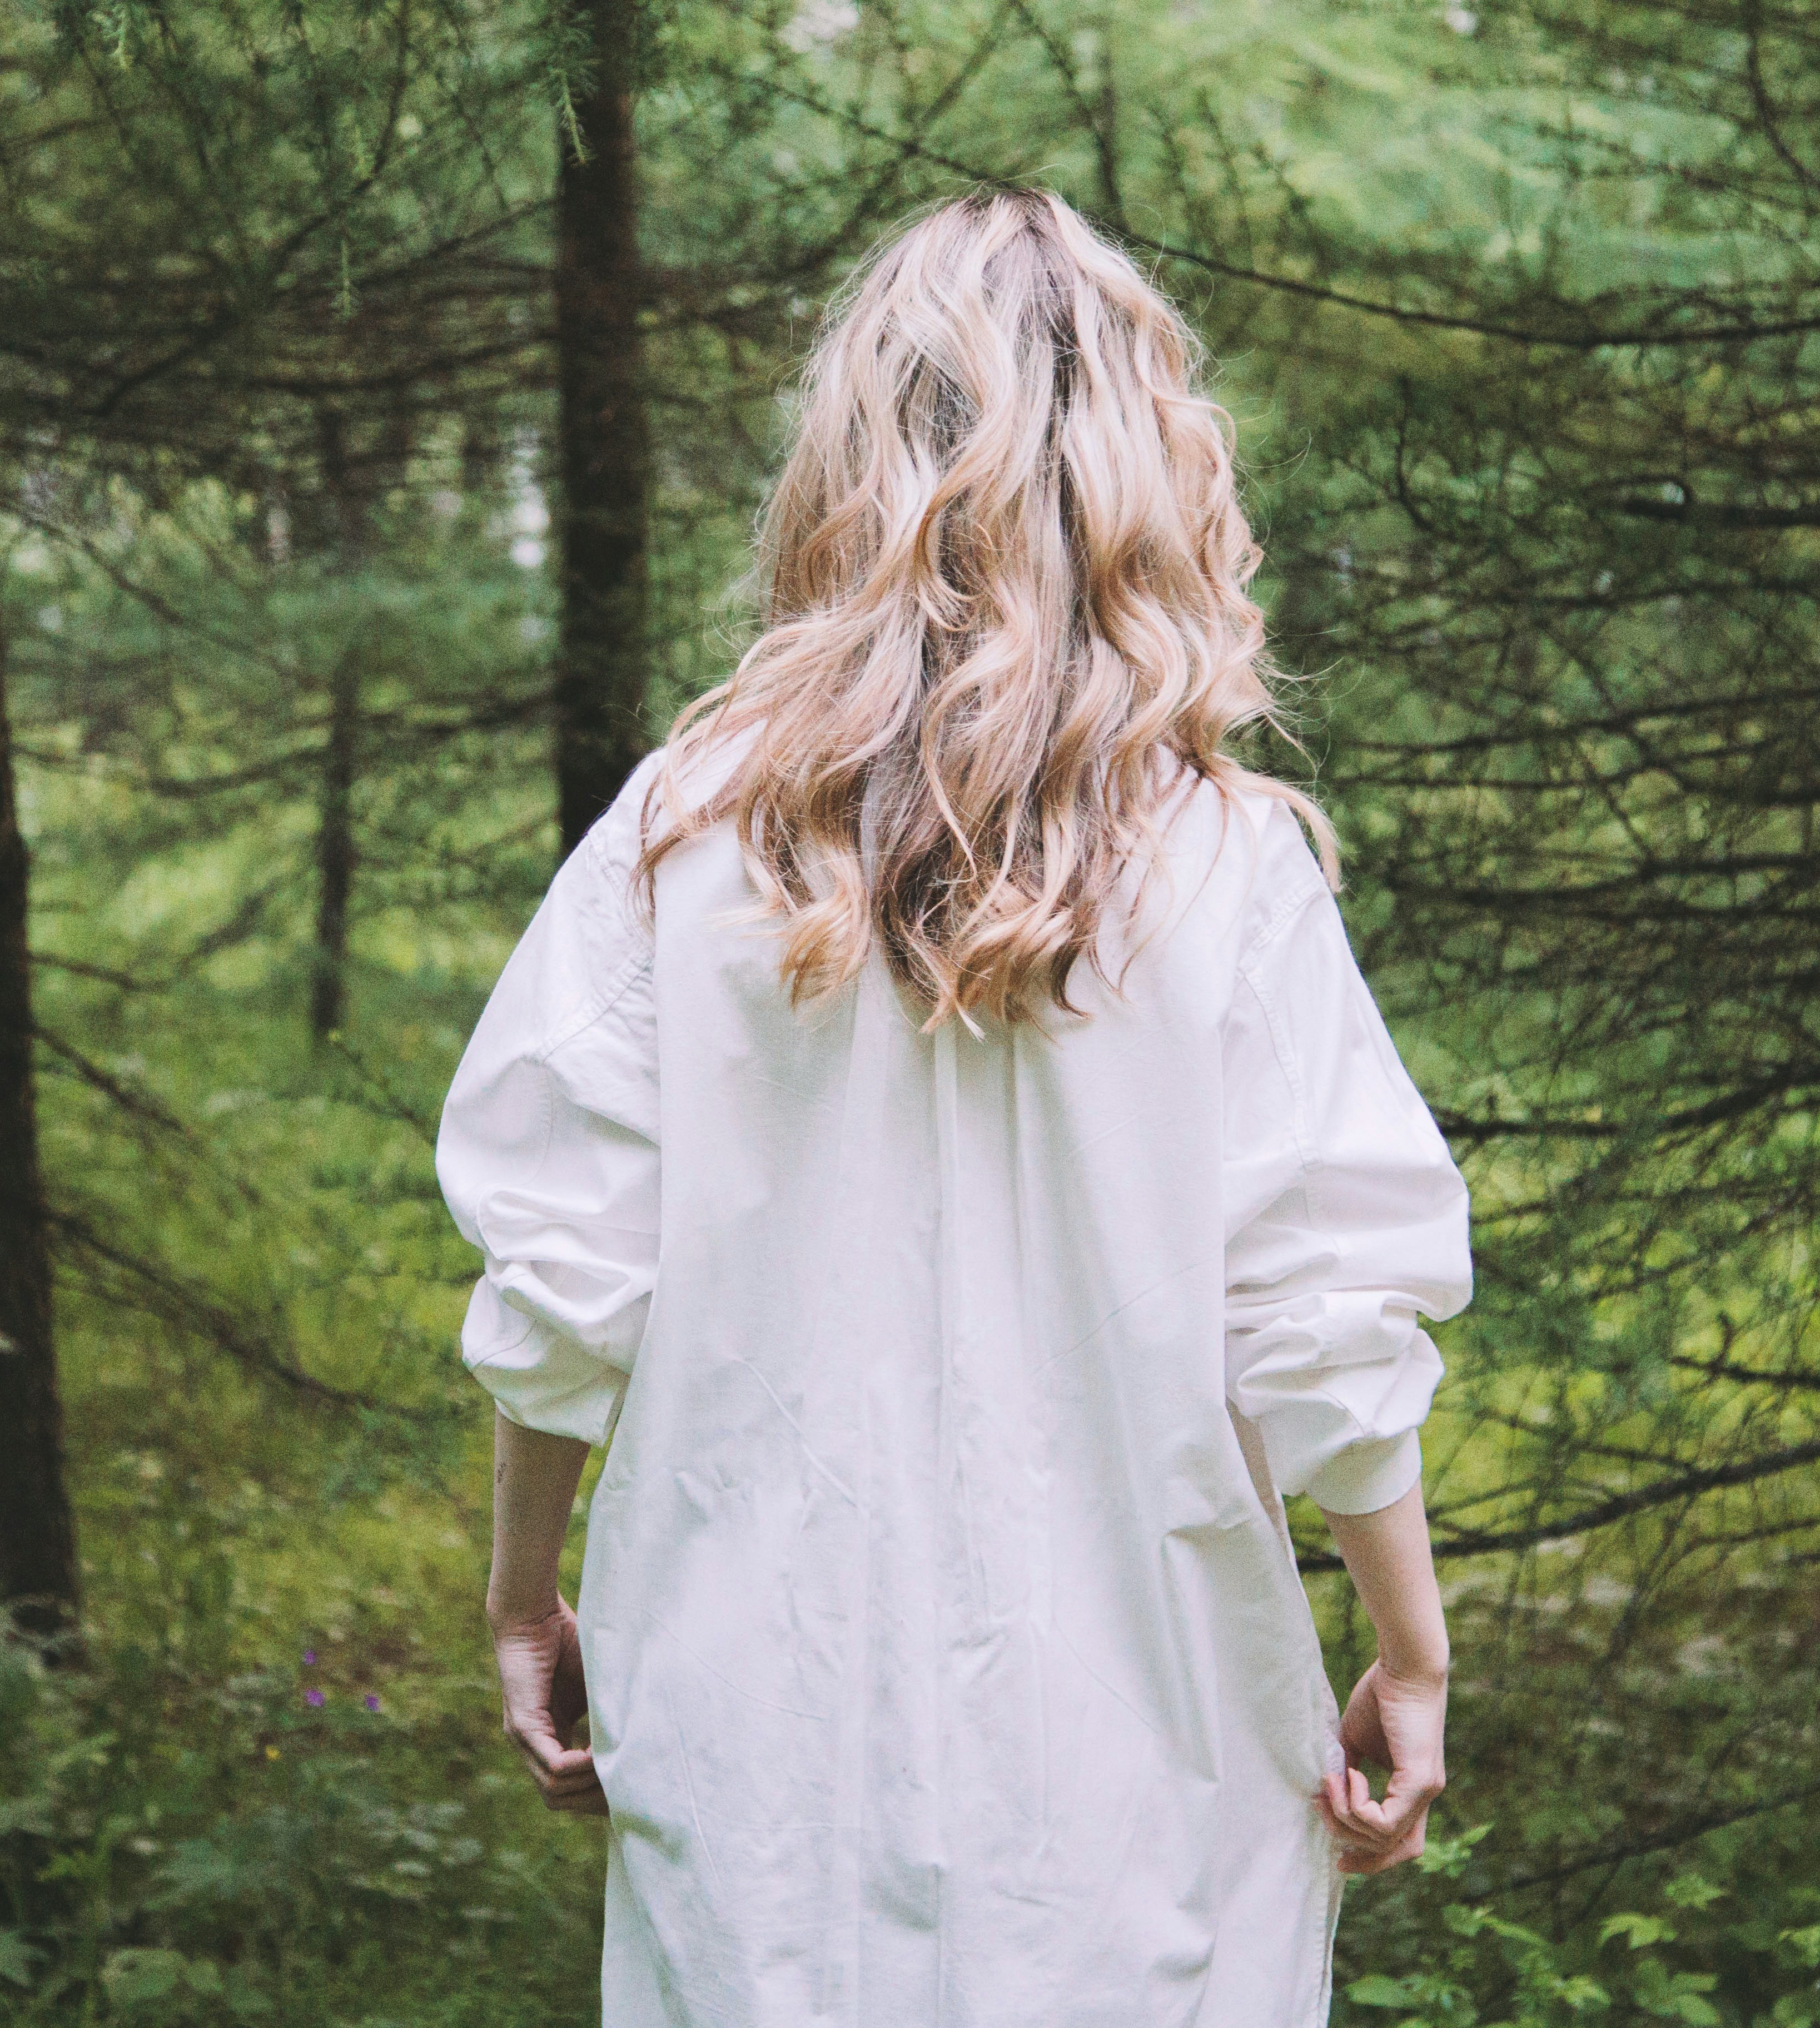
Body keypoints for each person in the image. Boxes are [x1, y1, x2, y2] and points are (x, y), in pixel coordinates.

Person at [436, 186, 1472, 2028]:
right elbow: (1321, 1322)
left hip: (766, 1762)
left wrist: (527, 1595)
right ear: (1149, 475)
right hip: (1135, 1780)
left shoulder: (683, 843)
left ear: (848, 465)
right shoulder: (1226, 870)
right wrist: (1411, 1646)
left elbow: (562, 1280)